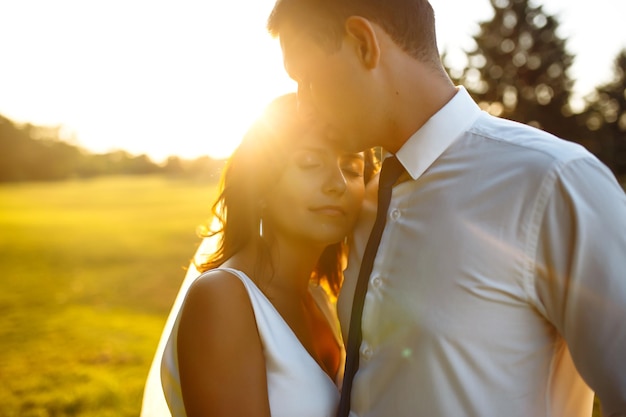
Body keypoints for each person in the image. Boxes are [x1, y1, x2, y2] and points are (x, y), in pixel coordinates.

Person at [266, 1, 626, 416]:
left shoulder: (553, 181)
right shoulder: (362, 204)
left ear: (364, 44)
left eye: (307, 79)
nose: (302, 106)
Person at [156, 93, 375, 417]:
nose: (337, 183)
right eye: (310, 163)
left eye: (352, 167)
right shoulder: (222, 297)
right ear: (260, 187)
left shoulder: (320, 299)